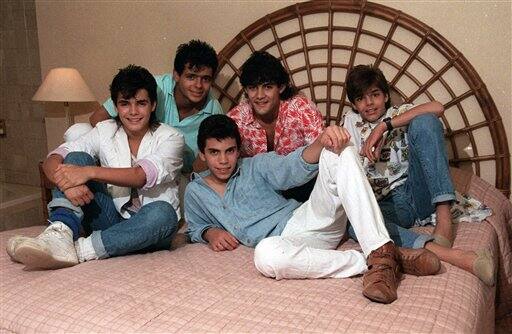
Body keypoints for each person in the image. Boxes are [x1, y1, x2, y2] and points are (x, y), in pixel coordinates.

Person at [185, 114, 442, 304]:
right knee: (265, 255)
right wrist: (210, 233)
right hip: (284, 242)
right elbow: (195, 227)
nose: (223, 160)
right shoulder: (195, 192)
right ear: (203, 154)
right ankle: (379, 259)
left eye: (229, 151)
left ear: (238, 150)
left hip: (308, 219)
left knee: (337, 151)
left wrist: (322, 141)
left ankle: (378, 250)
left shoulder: (255, 166)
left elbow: (293, 167)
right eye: (215, 152)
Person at [6, 65, 184, 269]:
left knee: (164, 214)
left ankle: (80, 249)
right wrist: (69, 185)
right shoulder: (105, 130)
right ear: (116, 107)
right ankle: (60, 232)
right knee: (76, 157)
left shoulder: (171, 138)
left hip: (150, 230)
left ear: (153, 105)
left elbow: (140, 176)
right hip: (111, 220)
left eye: (141, 103)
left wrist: (87, 173)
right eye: (125, 104)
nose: (133, 112)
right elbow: (53, 159)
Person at [343, 64, 495, 285]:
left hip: (417, 191)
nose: (369, 103)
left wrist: (383, 127)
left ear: (385, 96)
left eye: (374, 95)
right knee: (353, 224)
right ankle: (451, 255)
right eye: (361, 99)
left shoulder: (397, 113)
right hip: (388, 205)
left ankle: (443, 220)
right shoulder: (350, 123)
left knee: (425, 121)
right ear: (354, 104)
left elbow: (437, 107)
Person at [88, 40, 222, 173]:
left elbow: (211, 160)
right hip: (130, 160)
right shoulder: (153, 87)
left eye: (205, 79)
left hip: (178, 173)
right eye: (191, 77)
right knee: (78, 131)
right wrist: (128, 151)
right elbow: (97, 118)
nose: (198, 85)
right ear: (176, 75)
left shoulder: (214, 111)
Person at [227, 51, 324, 201]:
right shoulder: (236, 119)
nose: (259, 95)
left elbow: (323, 153)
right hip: (258, 192)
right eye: (253, 88)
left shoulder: (301, 109)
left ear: (281, 87)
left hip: (304, 186)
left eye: (267, 87)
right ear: (246, 90)